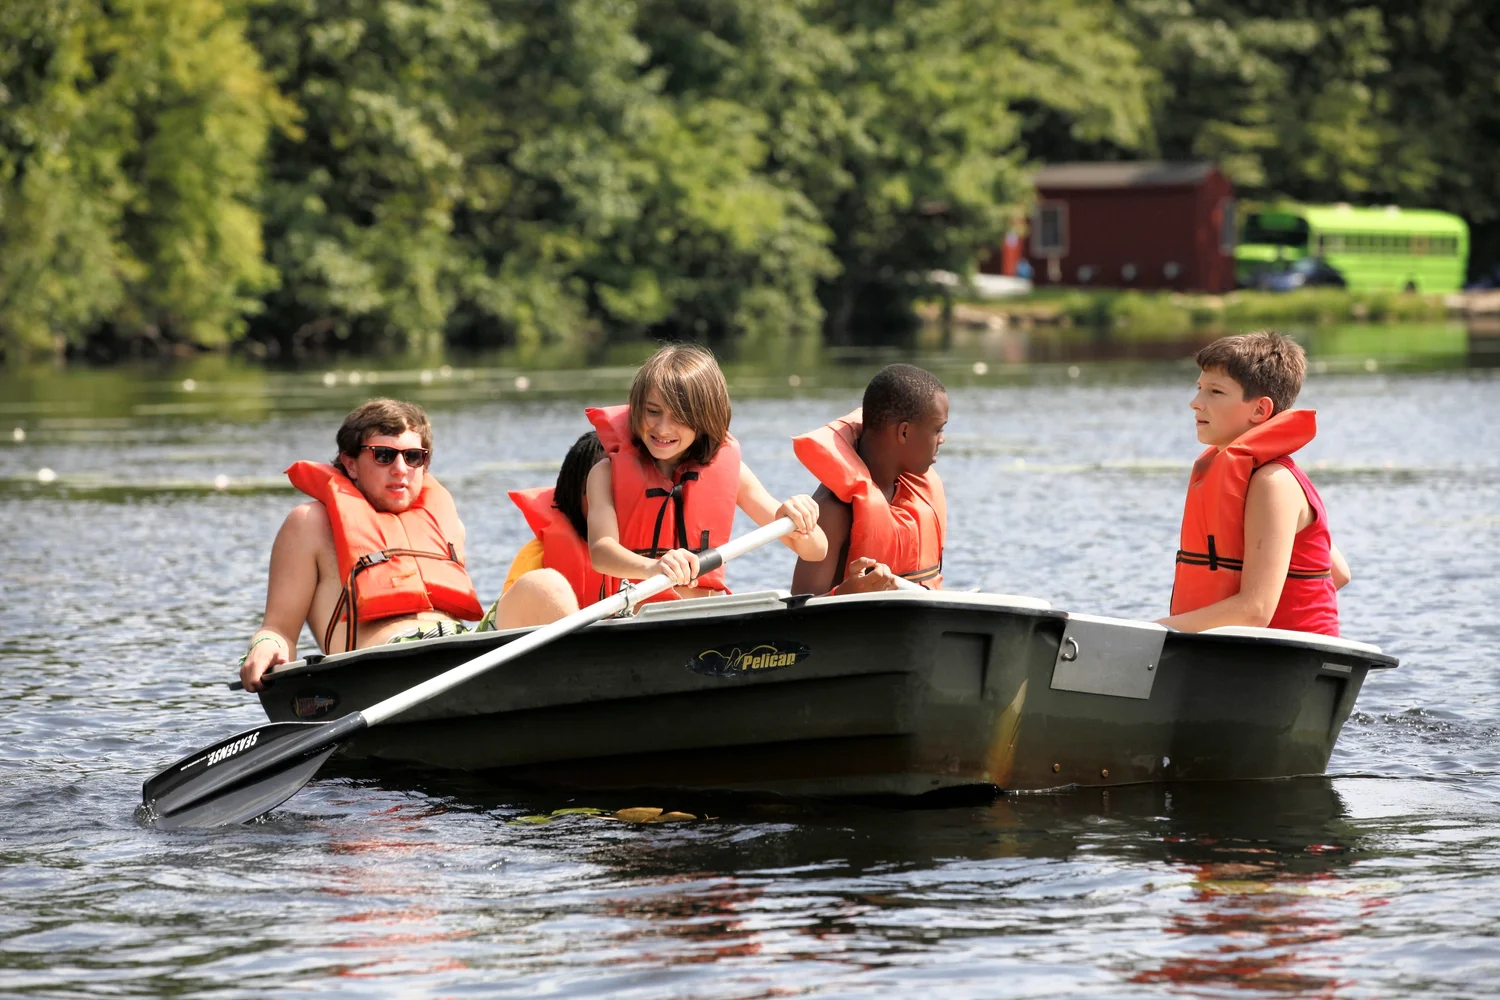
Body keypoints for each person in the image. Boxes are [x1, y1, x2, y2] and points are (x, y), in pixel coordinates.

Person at [239, 399, 485, 692]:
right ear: (351, 464)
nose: (400, 469)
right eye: (383, 455)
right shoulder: (310, 524)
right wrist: (265, 646)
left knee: (538, 585)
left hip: (467, 654)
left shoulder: (450, 527)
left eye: (413, 457)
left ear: (425, 464)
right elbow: (278, 629)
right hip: (383, 668)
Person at [585, 343, 827, 601]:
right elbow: (601, 552)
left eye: (679, 416)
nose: (663, 428)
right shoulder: (605, 474)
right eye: (653, 411)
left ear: (705, 419)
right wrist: (653, 568)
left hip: (704, 613)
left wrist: (799, 520)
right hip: (636, 616)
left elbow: (817, 550)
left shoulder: (734, 474)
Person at [1159, 331, 1350, 635]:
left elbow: (1254, 612)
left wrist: (1147, 631)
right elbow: (1337, 573)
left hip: (1285, 665)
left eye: (1215, 392)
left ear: (1260, 410)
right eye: (1199, 388)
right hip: (1236, 655)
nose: (1195, 403)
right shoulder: (1256, 477)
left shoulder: (1273, 484)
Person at [790, 364, 948, 596]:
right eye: (937, 430)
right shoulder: (834, 508)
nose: (942, 440)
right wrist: (846, 592)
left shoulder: (917, 492)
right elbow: (796, 613)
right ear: (904, 432)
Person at [503, 430, 608, 608]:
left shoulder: (657, 553)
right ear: (572, 493)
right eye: (599, 489)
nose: (609, 502)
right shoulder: (536, 557)